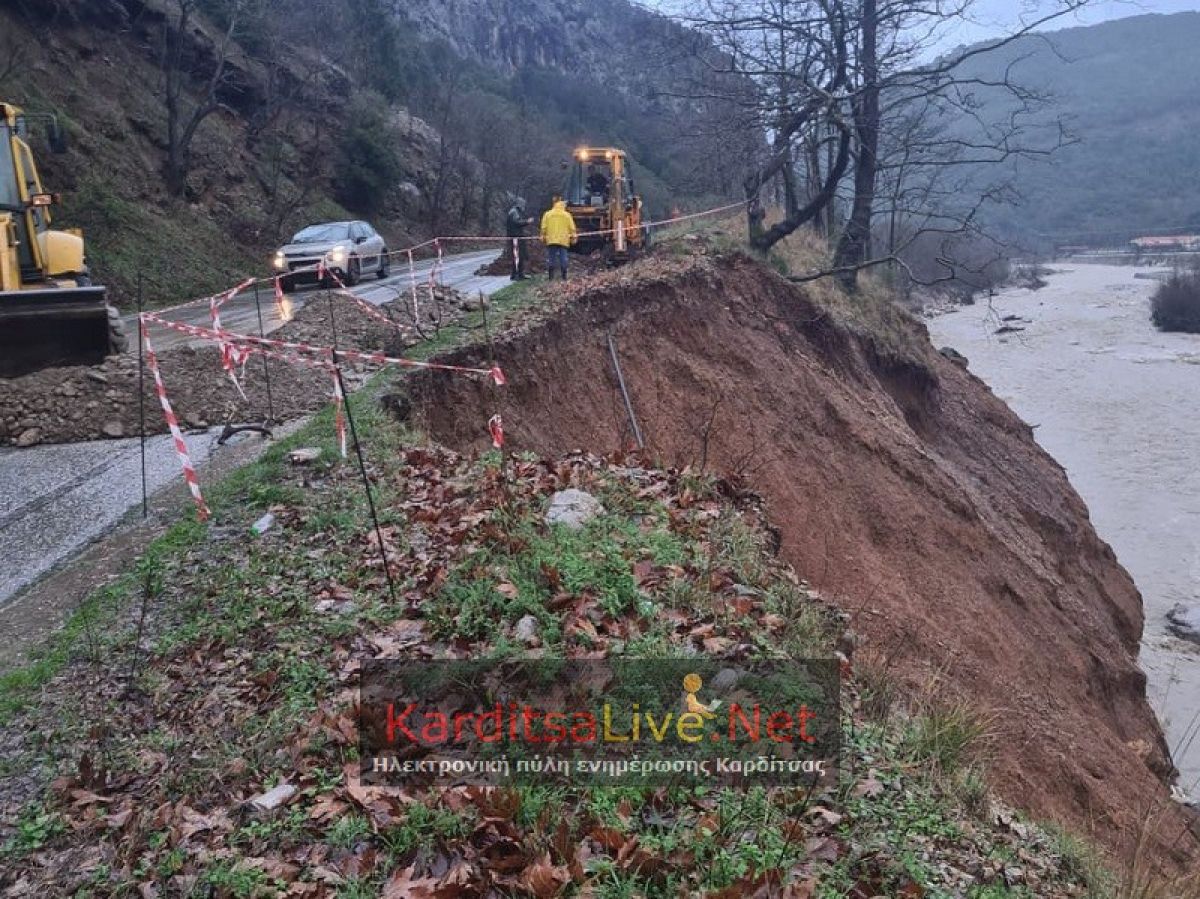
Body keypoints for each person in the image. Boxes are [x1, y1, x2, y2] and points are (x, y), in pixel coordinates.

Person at [540, 197, 577, 281]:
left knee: (551, 258)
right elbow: (572, 228)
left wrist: (542, 237)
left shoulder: (547, 214)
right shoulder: (567, 215)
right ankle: (564, 277)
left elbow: (543, 227)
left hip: (551, 240)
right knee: (563, 259)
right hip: (563, 240)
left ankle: (550, 277)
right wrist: (574, 238)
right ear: (563, 206)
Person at [505, 197, 533, 280]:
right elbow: (517, 222)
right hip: (516, 237)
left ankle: (517, 274)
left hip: (516, 236)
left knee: (518, 256)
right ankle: (517, 275)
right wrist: (527, 222)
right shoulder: (514, 212)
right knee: (518, 256)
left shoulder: (513, 211)